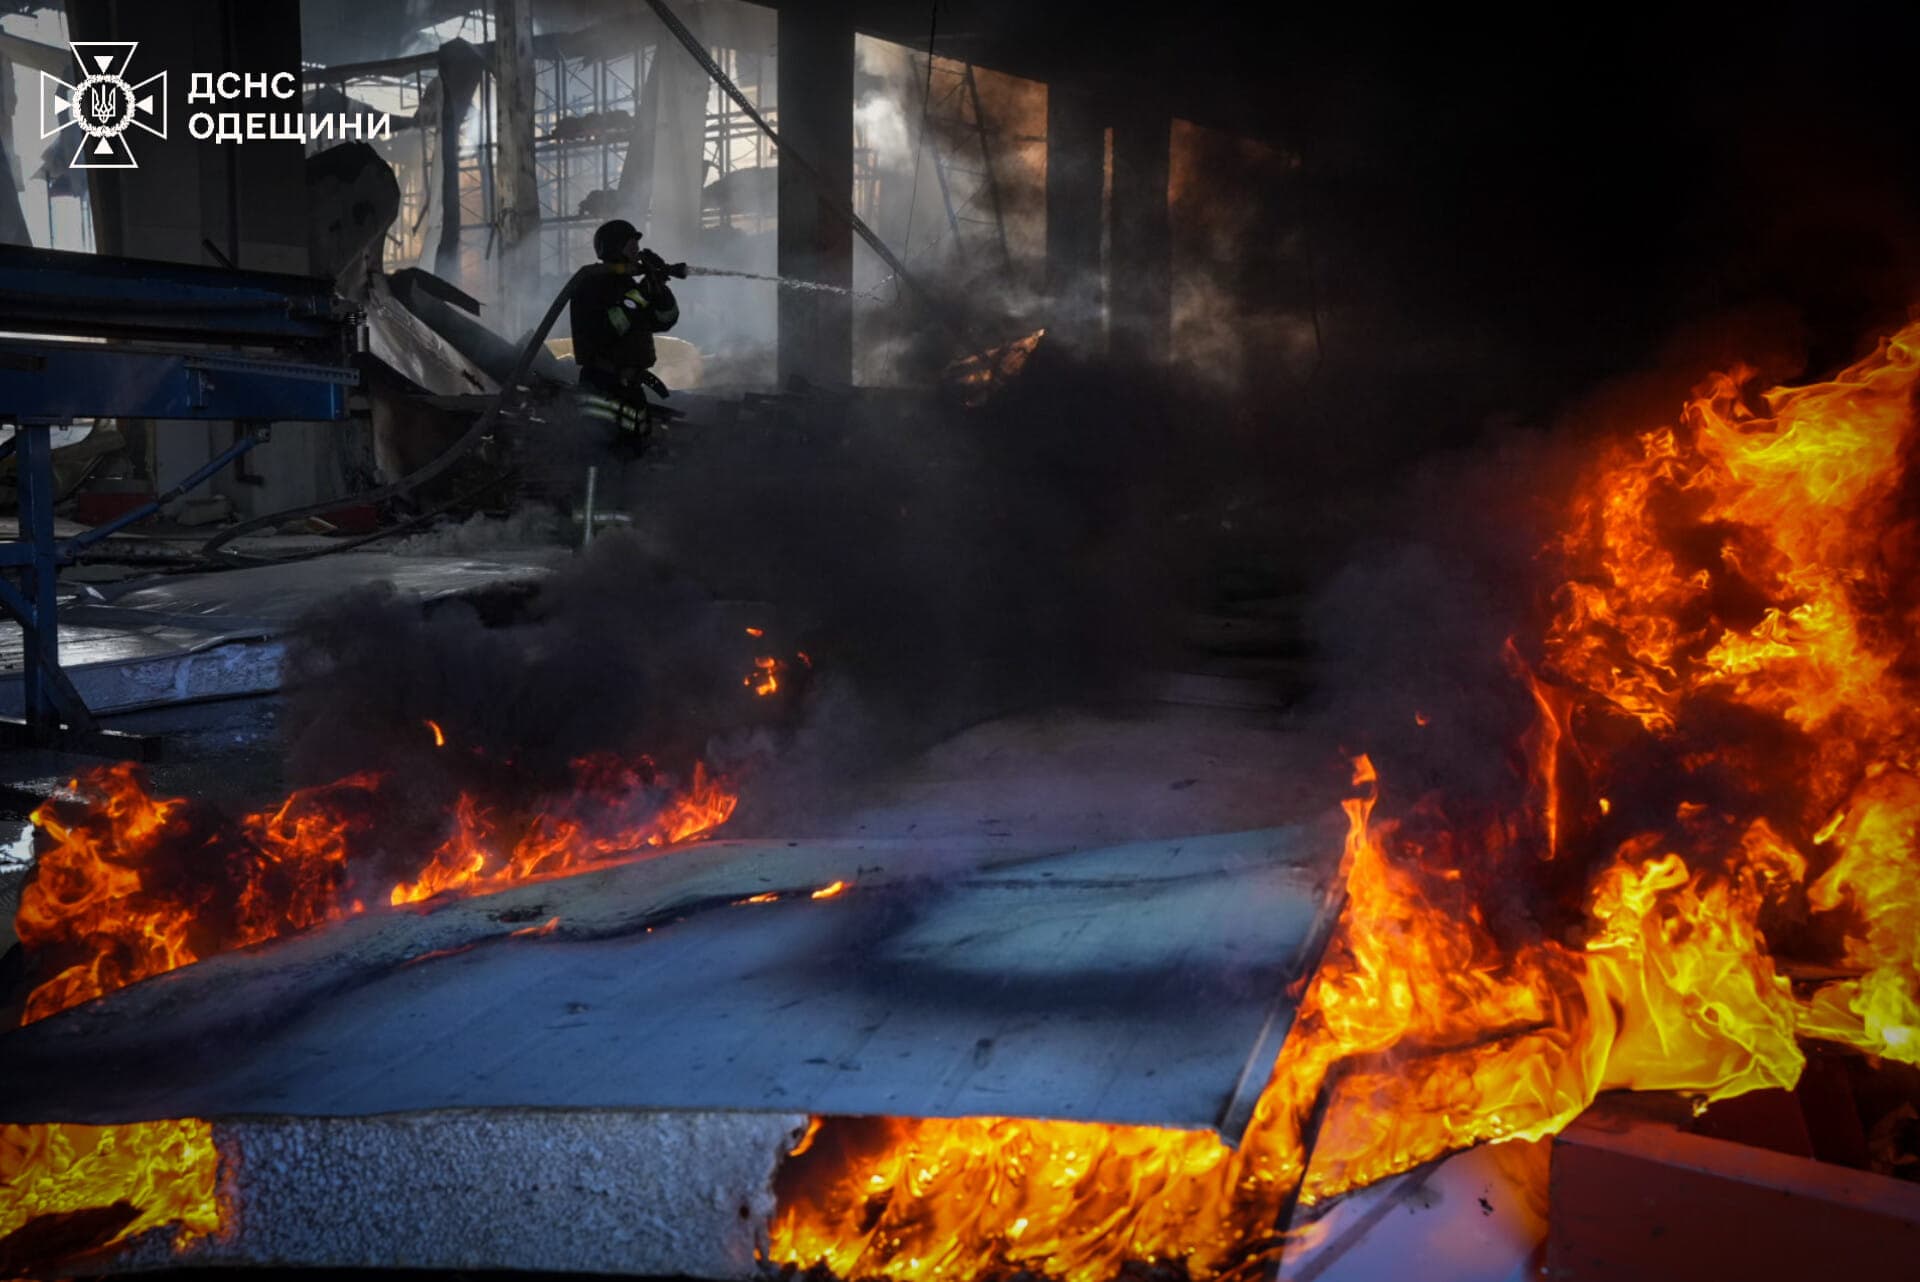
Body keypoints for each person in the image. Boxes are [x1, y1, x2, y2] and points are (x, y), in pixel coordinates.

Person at [569, 218, 683, 446]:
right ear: (613, 248)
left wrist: (659, 290)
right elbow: (608, 330)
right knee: (601, 458)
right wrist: (641, 294)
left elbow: (665, 321)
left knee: (633, 456)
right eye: (631, 247)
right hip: (602, 387)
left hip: (630, 388)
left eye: (637, 248)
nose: (637, 253)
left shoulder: (628, 286)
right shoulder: (591, 285)